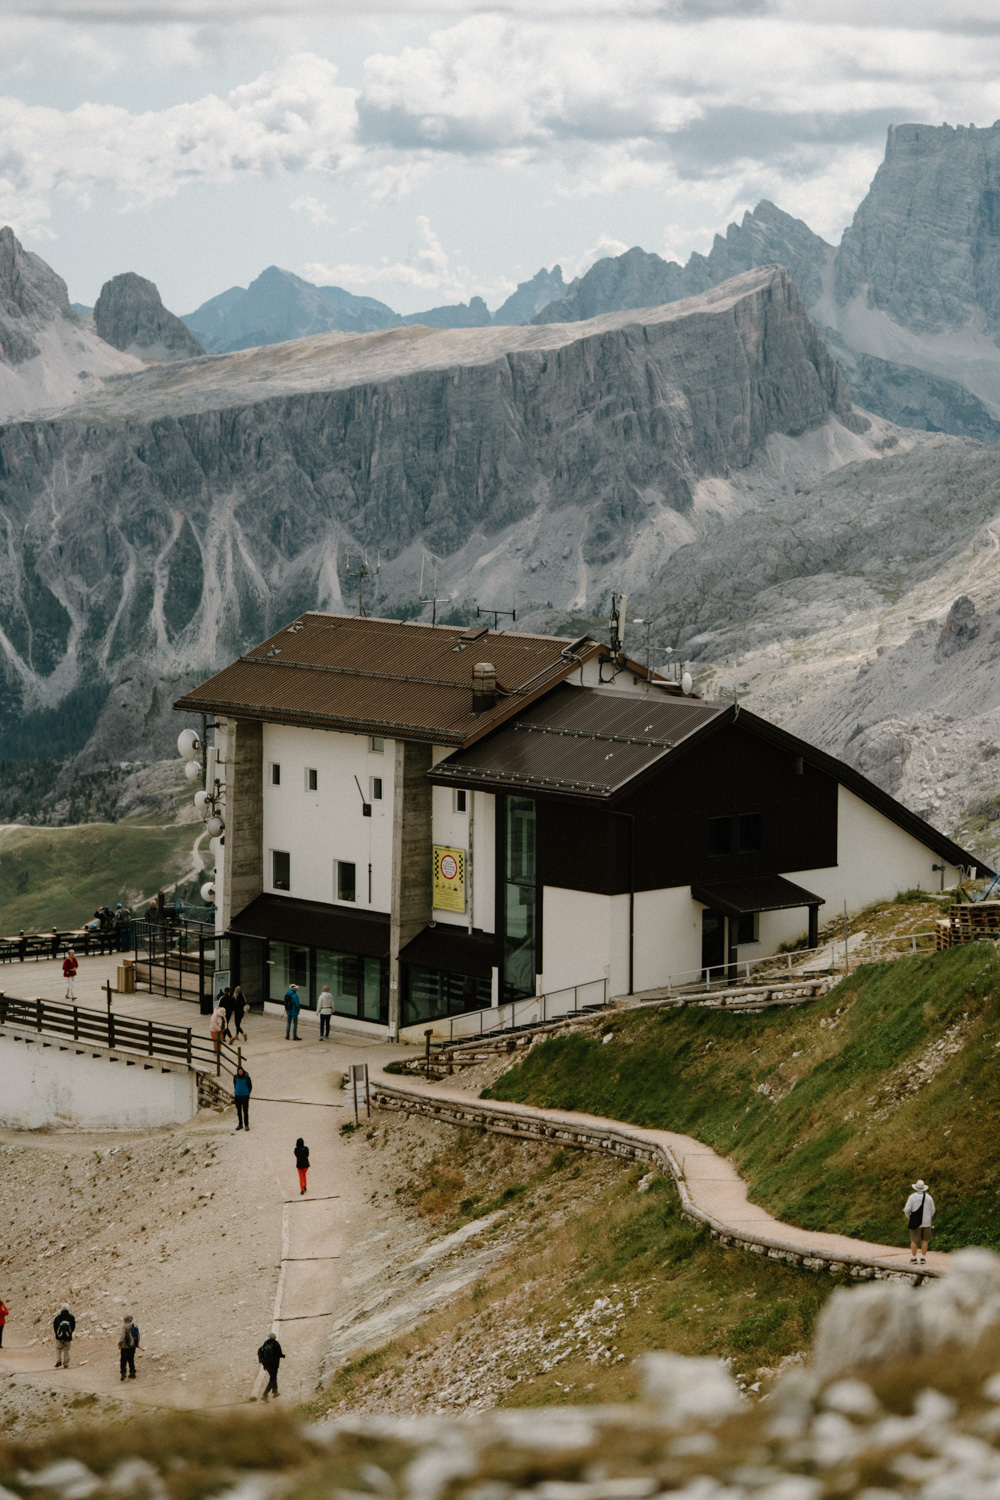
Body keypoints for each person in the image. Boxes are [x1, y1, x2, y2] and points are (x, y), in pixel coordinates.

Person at [904, 1178, 935, 1264]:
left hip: (915, 1222)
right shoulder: (929, 1197)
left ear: (916, 1188)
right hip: (926, 1222)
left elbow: (907, 1209)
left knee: (914, 1240)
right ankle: (923, 1258)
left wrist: (910, 1217)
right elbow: (933, 1210)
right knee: (925, 1240)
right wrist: (928, 1217)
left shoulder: (912, 1197)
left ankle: (914, 1258)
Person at [258, 1334, 284, 1399]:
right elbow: (280, 1354)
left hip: (267, 1365)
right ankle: (265, 1394)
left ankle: (275, 1391)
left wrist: (264, 1365)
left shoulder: (266, 1343)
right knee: (273, 1379)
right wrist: (283, 1356)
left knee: (273, 1378)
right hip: (274, 1365)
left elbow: (262, 1353)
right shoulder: (276, 1344)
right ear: (275, 1338)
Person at [118, 1314, 140, 1379]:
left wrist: (120, 1344)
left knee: (123, 1360)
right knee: (131, 1359)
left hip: (125, 1346)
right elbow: (138, 1335)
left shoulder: (125, 1326)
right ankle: (132, 1373)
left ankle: (123, 1373)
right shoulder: (135, 1325)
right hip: (133, 1346)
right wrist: (136, 1344)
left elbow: (122, 1336)